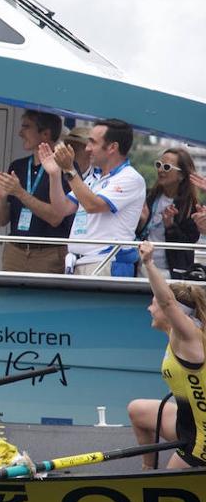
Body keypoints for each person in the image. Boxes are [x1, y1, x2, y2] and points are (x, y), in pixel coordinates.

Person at [127, 241, 205, 469]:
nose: (149, 309)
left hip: (202, 440)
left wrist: (149, 263)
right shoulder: (178, 336)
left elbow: (167, 300)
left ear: (173, 313)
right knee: (138, 410)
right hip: (186, 423)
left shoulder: (187, 337)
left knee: (167, 493)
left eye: (153, 304)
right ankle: (147, 471)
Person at [44, 119, 145, 277]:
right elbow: (61, 209)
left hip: (106, 263)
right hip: (78, 263)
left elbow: (93, 206)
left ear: (112, 147)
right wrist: (54, 174)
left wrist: (70, 170)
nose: (87, 148)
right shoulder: (94, 177)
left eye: (92, 142)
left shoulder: (130, 178)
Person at [0, 110, 73, 273]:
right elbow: (2, 221)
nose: (20, 133)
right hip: (15, 251)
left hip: (49, 254)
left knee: (42, 299)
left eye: (26, 127)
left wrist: (20, 192)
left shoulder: (66, 169)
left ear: (45, 134)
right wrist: (1, 199)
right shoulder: (17, 166)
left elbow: (56, 218)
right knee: (9, 298)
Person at [136, 147, 201, 277]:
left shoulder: (191, 207)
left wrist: (170, 226)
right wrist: (142, 222)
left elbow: (189, 243)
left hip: (170, 273)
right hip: (142, 266)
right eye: (159, 165)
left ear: (181, 175)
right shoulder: (148, 197)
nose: (160, 170)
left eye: (167, 167)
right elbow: (135, 232)